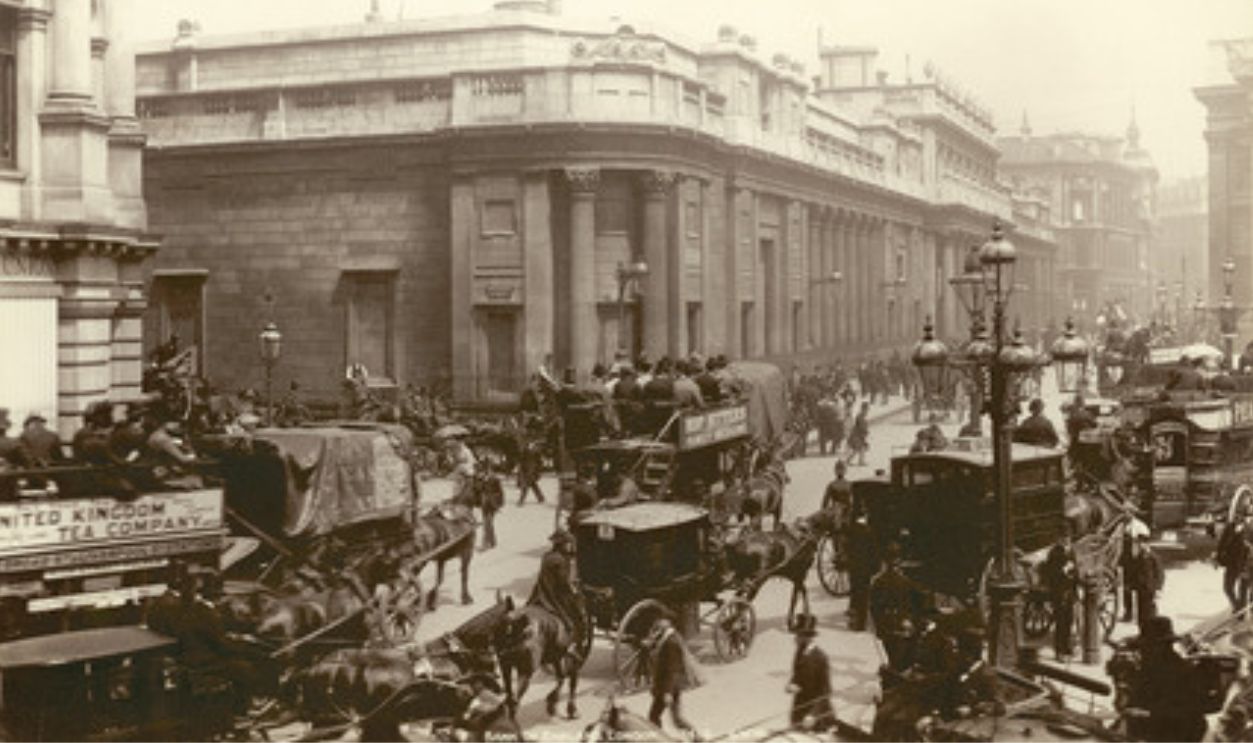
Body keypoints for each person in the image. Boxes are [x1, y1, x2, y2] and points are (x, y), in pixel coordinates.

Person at [1126, 616, 1209, 742]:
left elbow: (1188, 713)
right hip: (1154, 728)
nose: (1143, 651)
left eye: (1148, 647)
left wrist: (1148, 714)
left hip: (1179, 733)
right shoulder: (1149, 668)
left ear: (1162, 647)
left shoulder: (1181, 671)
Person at [528, 530, 588, 658]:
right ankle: (573, 645)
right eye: (567, 543)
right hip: (554, 595)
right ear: (562, 544)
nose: (569, 546)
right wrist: (574, 591)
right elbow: (563, 583)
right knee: (578, 616)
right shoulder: (560, 560)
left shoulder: (546, 556)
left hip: (540, 591)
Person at [870, 542, 923, 679]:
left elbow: (874, 609)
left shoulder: (878, 581)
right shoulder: (904, 580)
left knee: (896, 659)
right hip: (901, 626)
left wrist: (879, 629)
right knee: (903, 659)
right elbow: (915, 601)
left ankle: (895, 680)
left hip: (891, 627)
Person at [647, 616, 698, 735]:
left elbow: (672, 670)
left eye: (656, 631)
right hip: (668, 687)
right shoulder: (670, 638)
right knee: (673, 719)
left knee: (657, 717)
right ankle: (696, 738)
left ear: (662, 630)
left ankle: (697, 739)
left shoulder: (671, 644)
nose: (654, 635)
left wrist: (667, 692)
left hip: (668, 688)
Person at [787, 613, 835, 732]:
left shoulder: (821, 658)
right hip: (799, 710)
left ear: (807, 637)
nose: (795, 638)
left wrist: (813, 715)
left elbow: (825, 692)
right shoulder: (800, 651)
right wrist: (793, 683)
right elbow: (798, 673)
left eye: (798, 635)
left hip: (817, 716)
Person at [1042, 533, 1079, 660]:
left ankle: (1067, 647)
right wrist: (1062, 571)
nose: (1067, 541)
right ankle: (1059, 651)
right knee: (1060, 622)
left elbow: (1076, 569)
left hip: (1069, 592)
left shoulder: (1071, 551)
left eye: (1068, 538)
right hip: (1059, 593)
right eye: (1064, 539)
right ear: (1060, 539)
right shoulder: (1054, 553)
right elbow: (1049, 573)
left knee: (1069, 621)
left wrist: (1074, 575)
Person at [845, 506, 879, 632]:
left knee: (855, 593)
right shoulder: (870, 531)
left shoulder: (853, 531)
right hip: (865, 569)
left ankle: (855, 622)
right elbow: (875, 553)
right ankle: (861, 624)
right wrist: (874, 569)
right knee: (863, 596)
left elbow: (847, 548)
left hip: (855, 568)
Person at [1125, 535, 1164, 627]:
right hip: (1140, 588)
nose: (1140, 546)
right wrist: (1131, 584)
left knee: (1150, 610)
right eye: (1139, 543)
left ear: (1147, 544)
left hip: (1150, 588)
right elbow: (1134, 572)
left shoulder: (1154, 557)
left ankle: (1151, 630)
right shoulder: (1138, 557)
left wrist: (1158, 588)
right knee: (1140, 611)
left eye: (1142, 543)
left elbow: (1160, 574)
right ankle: (1142, 629)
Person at [1216, 517, 1249, 611]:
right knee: (1227, 588)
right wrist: (1218, 557)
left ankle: (1241, 612)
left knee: (1243, 590)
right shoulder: (1230, 526)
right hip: (1232, 563)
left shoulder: (1249, 527)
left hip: (1246, 563)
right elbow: (1222, 543)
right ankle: (1238, 607)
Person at [516, 436, 546, 506]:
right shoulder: (525, 452)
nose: (530, 445)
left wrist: (538, 472)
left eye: (532, 444)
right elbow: (521, 461)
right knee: (532, 485)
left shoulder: (536, 453)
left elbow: (540, 463)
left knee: (529, 486)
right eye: (529, 444)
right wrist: (521, 470)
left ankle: (521, 501)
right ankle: (540, 498)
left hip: (533, 472)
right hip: (526, 472)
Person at [847, 402, 870, 466]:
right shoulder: (860, 416)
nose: (868, 411)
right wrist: (865, 432)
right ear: (863, 409)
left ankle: (850, 460)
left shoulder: (862, 416)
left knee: (858, 449)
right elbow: (861, 427)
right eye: (867, 409)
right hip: (857, 435)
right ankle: (860, 461)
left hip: (858, 435)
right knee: (859, 448)